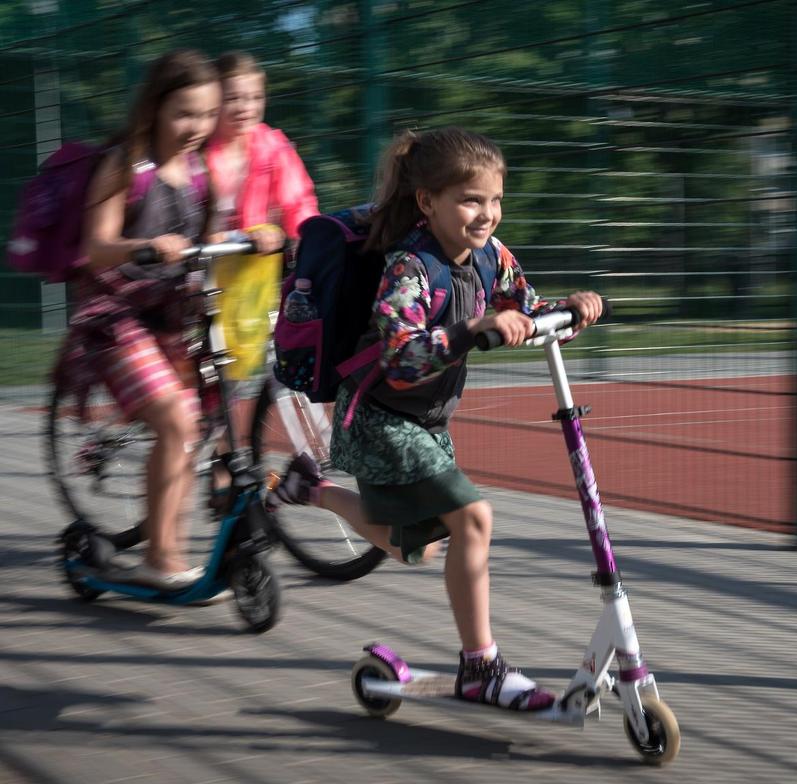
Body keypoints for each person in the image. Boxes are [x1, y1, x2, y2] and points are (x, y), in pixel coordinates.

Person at [269, 127, 603, 711]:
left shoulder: (491, 257)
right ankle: (483, 669)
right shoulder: (411, 268)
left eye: (496, 200)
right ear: (428, 201)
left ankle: (310, 489)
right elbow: (400, 359)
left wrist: (568, 311)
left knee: (414, 548)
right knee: (473, 520)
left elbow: (526, 308)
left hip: (424, 421)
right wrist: (469, 330)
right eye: (471, 200)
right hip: (379, 415)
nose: (487, 214)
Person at [60, 50, 276, 589]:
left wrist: (254, 236)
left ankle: (175, 546)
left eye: (205, 115)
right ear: (155, 107)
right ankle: (161, 557)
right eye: (184, 114)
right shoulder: (124, 164)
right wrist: (146, 246)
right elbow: (97, 245)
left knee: (205, 423)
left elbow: (204, 242)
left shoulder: (201, 171)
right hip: (113, 318)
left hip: (172, 317)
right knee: (177, 423)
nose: (196, 127)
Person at [205, 51, 318, 246]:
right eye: (233, 98)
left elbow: (299, 205)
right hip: (203, 265)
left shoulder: (275, 148)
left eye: (256, 98)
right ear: (213, 100)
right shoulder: (196, 150)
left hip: (258, 263)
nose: (245, 107)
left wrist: (312, 241)